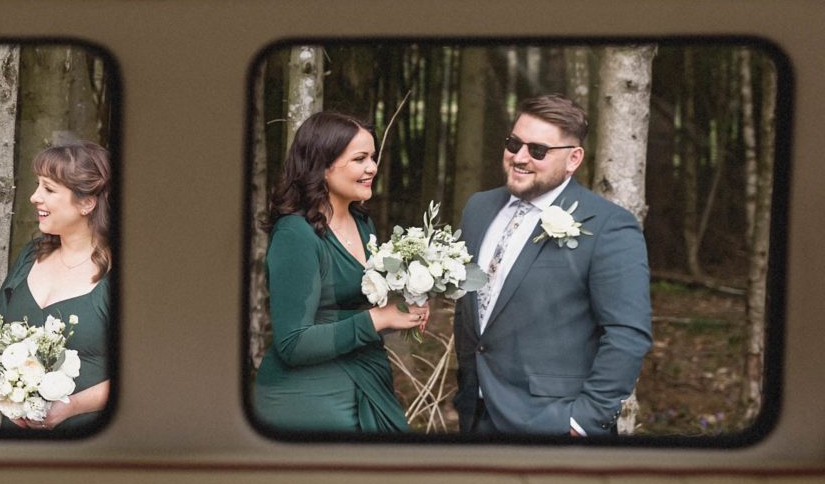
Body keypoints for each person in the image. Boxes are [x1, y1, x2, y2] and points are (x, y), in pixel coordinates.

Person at [453, 94, 652, 436]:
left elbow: (627, 334)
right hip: (476, 414)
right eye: (514, 143)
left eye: (538, 150)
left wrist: (582, 421)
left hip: (552, 423)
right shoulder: (478, 208)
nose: (519, 157)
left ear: (573, 159)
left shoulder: (608, 226)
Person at [252, 111, 427, 433]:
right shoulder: (296, 234)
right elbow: (293, 344)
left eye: (373, 157)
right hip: (309, 396)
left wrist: (404, 308)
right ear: (322, 165)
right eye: (360, 159)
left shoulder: (362, 223)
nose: (372, 168)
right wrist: (380, 318)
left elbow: (350, 309)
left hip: (367, 376)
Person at [0, 141, 113, 435]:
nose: (34, 197)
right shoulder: (30, 255)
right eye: (37, 186)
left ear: (87, 202)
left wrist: (71, 406)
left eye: (49, 189)